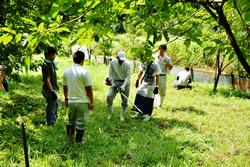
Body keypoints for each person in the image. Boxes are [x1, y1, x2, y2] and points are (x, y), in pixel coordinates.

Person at [62, 51, 94, 144]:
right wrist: (92, 102)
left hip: (71, 101)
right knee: (81, 122)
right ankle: (79, 141)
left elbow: (65, 87)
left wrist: (66, 99)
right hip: (83, 101)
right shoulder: (84, 72)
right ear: (83, 60)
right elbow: (89, 89)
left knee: (71, 120)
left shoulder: (66, 71)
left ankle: (70, 138)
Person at [106, 51, 131, 121]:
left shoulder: (128, 64)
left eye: (123, 60)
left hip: (125, 82)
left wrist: (123, 86)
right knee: (109, 96)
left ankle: (122, 115)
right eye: (120, 60)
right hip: (115, 81)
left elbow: (128, 77)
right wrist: (113, 84)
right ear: (117, 58)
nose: (121, 61)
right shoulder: (112, 63)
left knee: (124, 100)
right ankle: (110, 113)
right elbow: (110, 75)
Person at [41, 46, 58, 126]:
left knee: (54, 105)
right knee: (51, 107)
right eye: (53, 54)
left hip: (52, 88)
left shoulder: (51, 63)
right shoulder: (46, 65)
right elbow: (47, 80)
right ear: (48, 55)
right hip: (49, 90)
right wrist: (52, 91)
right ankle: (50, 123)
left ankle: (53, 120)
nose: (54, 56)